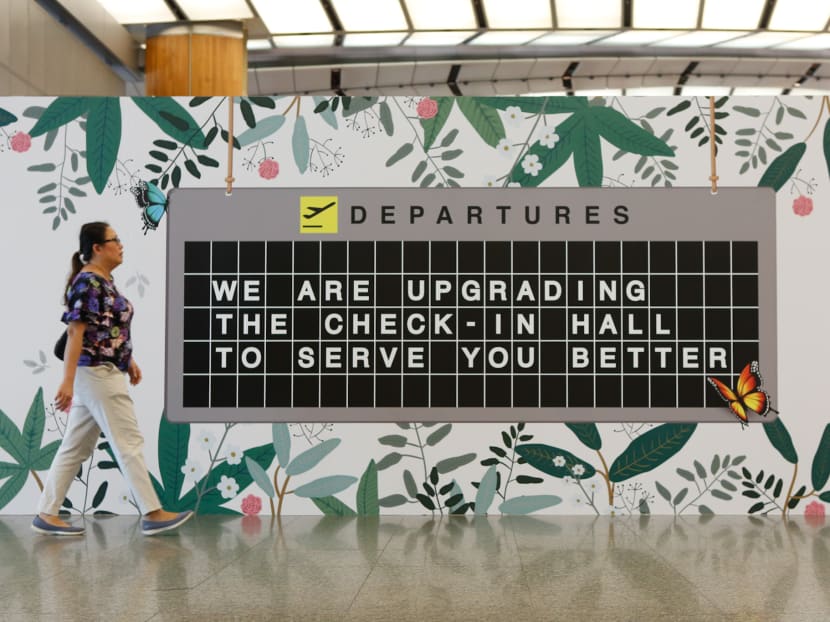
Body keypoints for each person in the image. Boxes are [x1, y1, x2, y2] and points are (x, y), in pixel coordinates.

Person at [33, 221, 192, 536]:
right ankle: (153, 513)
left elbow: (105, 330)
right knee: (128, 441)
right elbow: (76, 332)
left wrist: (128, 360)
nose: (121, 245)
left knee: (75, 447)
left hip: (102, 370)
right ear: (97, 247)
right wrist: (67, 381)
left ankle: (46, 514)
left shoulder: (104, 282)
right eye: (114, 239)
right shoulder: (88, 282)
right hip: (97, 373)